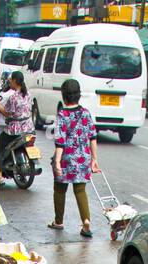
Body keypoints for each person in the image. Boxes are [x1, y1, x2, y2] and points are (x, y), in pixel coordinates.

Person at [50, 78, 99, 238]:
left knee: (59, 188)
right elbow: (93, 137)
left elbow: (60, 142)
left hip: (66, 158)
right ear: (79, 96)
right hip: (83, 158)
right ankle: (86, 222)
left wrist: (57, 161)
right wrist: (94, 159)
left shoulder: (62, 115)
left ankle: (58, 221)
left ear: (64, 96)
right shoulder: (85, 113)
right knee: (80, 189)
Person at [0, 68, 34, 173]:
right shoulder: (28, 94)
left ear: (15, 81)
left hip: (15, 130)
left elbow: (6, 113)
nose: (9, 81)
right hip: (29, 127)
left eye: (11, 80)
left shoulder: (13, 97)